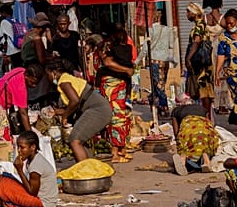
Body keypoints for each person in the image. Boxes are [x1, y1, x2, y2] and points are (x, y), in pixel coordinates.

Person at [0, 130, 58, 207]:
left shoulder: (36, 165)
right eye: (18, 147)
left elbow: (32, 192)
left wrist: (20, 170)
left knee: (4, 182)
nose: (19, 151)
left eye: (22, 148)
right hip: (37, 200)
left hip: (43, 206)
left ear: (33, 147)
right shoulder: (31, 160)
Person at [45, 59, 111, 163]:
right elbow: (75, 103)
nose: (47, 78)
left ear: (53, 72)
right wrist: (59, 112)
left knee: (74, 140)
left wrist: (64, 116)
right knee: (81, 140)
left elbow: (74, 101)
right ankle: (92, 169)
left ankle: (85, 172)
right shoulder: (67, 78)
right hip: (96, 108)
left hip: (97, 110)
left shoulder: (63, 81)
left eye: (47, 74)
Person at [95, 29, 135, 161]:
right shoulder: (110, 48)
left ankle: (120, 148)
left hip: (117, 85)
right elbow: (108, 62)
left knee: (121, 116)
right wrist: (127, 69)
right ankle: (115, 152)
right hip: (113, 85)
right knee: (116, 117)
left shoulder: (112, 47)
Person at [0, 64, 44, 141]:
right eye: (32, 82)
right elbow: (23, 113)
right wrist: (30, 136)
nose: (34, 86)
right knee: (2, 138)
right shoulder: (20, 87)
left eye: (36, 83)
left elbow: (9, 90)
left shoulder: (20, 70)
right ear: (26, 76)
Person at [170, 93, 219, 175]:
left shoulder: (176, 111)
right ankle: (206, 159)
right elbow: (209, 124)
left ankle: (183, 159)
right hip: (205, 130)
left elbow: (176, 132)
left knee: (184, 146)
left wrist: (179, 144)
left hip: (188, 127)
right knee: (205, 144)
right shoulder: (202, 108)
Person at [138, 9, 175, 99]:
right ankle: (159, 105)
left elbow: (145, 49)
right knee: (161, 84)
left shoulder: (150, 30)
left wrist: (137, 60)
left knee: (157, 86)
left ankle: (162, 105)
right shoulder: (167, 30)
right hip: (164, 61)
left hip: (154, 61)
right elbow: (171, 45)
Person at [185, 3, 213, 112]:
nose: (187, 14)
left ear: (194, 13)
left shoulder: (199, 26)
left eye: (188, 12)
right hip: (204, 62)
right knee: (204, 88)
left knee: (203, 89)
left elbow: (196, 41)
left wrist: (188, 58)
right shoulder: (201, 25)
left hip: (201, 63)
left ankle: (205, 114)